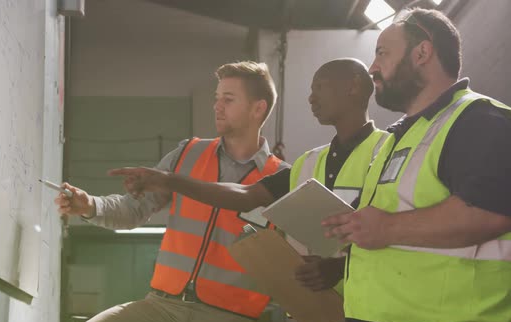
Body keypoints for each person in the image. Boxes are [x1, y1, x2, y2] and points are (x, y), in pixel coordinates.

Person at [112, 58, 388, 294]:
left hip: (378, 307)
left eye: (320, 87)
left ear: (353, 86)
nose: (311, 98)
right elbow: (245, 196)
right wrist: (168, 179)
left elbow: (400, 230)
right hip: (319, 308)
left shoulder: (390, 152)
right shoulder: (307, 163)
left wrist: (340, 268)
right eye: (310, 89)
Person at [55, 61, 289, 322]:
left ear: (257, 108)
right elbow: (133, 210)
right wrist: (89, 205)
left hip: (228, 321)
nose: (217, 106)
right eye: (216, 98)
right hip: (161, 308)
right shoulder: (187, 155)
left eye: (228, 99)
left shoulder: (282, 180)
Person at [321, 8, 511, 322]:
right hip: (379, 319)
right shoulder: (400, 136)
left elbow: (489, 213)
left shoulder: (477, 121)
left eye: (382, 53)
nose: (372, 68)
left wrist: (388, 228)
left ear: (422, 53)